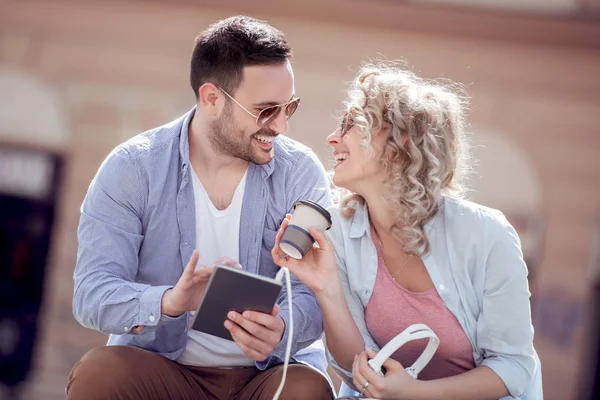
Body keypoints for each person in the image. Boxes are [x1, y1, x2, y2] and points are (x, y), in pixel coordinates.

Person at [67, 16, 334, 400]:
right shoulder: (132, 168)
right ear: (212, 98)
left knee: (307, 390)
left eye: (288, 108)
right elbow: (92, 294)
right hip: (166, 369)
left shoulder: (300, 171)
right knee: (98, 375)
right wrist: (169, 302)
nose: (281, 127)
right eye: (265, 110)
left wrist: (283, 329)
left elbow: (321, 293)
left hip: (267, 375)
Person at [272, 60, 543, 399]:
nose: (332, 138)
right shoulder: (337, 232)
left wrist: (414, 394)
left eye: (351, 124)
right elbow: (355, 369)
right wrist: (326, 287)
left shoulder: (488, 235)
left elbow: (514, 367)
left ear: (397, 141)